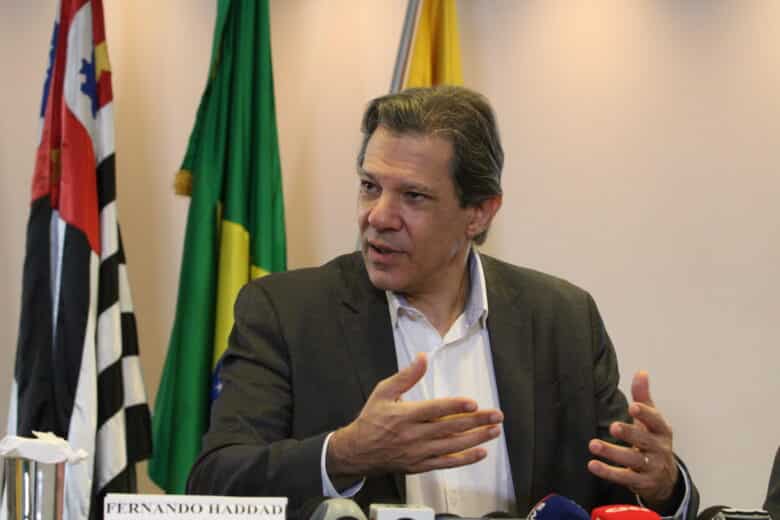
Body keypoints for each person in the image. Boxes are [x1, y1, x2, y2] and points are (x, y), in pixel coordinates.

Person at [187, 86, 698, 520]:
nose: (378, 217)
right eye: (369, 187)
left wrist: (663, 486)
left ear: (479, 212)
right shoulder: (286, 312)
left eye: (413, 196)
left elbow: (614, 491)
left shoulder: (561, 319)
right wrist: (343, 453)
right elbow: (213, 484)